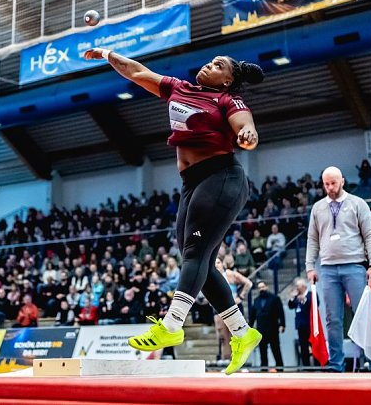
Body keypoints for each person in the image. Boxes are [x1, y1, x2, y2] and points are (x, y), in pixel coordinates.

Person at [83, 48, 264, 374]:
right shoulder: (179, 88)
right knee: (200, 263)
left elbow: (244, 123)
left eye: (219, 65)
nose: (210, 63)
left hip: (222, 177)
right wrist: (108, 54)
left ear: (228, 81)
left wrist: (247, 135)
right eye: (211, 60)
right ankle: (242, 332)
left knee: (195, 253)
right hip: (192, 184)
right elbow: (137, 73)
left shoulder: (225, 100)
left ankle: (172, 324)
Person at [305, 166, 371, 372]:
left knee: (363, 315)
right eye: (326, 184)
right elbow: (312, 239)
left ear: (343, 181)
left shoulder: (358, 204)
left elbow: (370, 235)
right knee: (333, 318)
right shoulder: (317, 208)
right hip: (328, 268)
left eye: (334, 183)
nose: (330, 188)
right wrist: (310, 266)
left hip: (354, 266)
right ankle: (336, 364)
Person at [250, 281, 285, 370]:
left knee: (276, 349)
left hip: (273, 328)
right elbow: (253, 315)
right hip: (261, 329)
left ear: (267, 287)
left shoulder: (275, 298)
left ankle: (280, 367)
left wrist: (282, 324)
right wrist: (249, 327)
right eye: (259, 287)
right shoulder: (256, 300)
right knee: (262, 351)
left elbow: (281, 312)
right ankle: (264, 368)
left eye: (263, 287)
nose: (261, 289)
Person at [287, 278, 312, 367]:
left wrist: (304, 299)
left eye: (298, 286)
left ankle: (317, 365)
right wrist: (292, 297)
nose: (296, 288)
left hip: (310, 324)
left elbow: (313, 304)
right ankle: (306, 366)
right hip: (300, 325)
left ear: (303, 286)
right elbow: (291, 306)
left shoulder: (310, 295)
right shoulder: (297, 297)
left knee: (313, 345)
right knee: (303, 346)